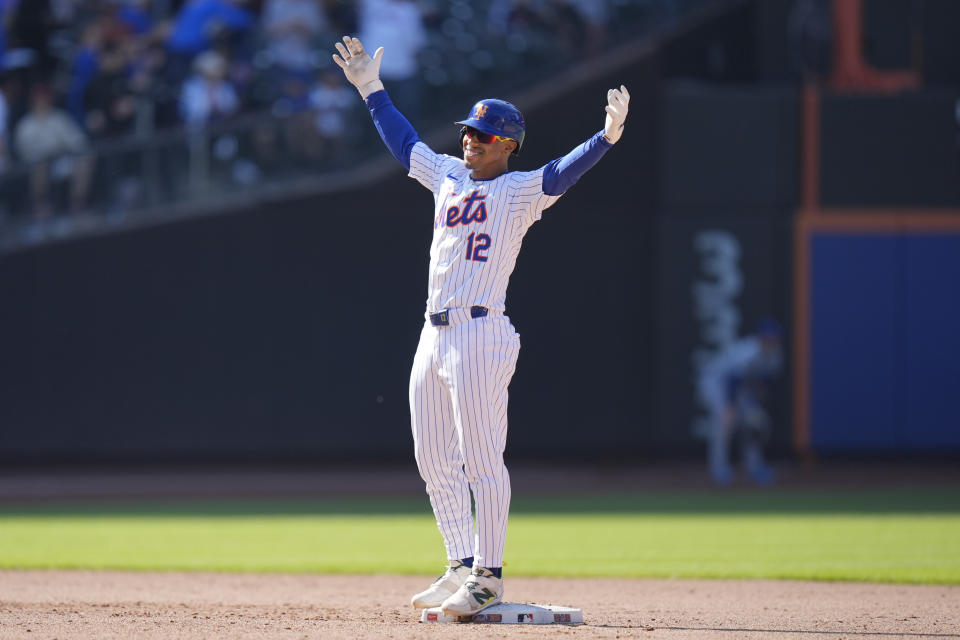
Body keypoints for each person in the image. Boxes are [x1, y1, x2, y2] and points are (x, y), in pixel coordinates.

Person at [332, 35, 629, 617]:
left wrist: (606, 138)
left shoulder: (518, 192)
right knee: (433, 458)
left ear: (507, 145)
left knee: (481, 460)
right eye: (468, 130)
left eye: (482, 134)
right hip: (433, 330)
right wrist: (371, 89)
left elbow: (561, 174)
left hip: (480, 332)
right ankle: (461, 562)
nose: (469, 139)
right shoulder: (446, 175)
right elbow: (404, 142)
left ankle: (489, 575)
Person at [697, 317, 783, 486]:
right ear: (760, 337)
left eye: (773, 338)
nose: (770, 341)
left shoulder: (776, 355)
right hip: (716, 381)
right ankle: (719, 469)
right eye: (767, 338)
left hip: (742, 386)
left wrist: (756, 407)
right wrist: (729, 408)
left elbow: (763, 382)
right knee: (724, 423)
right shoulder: (749, 352)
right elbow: (732, 379)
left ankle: (755, 467)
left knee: (752, 423)